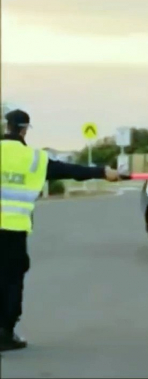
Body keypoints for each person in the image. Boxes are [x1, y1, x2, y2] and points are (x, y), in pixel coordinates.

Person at [0, 109, 121, 352]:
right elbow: (71, 171)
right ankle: (5, 333)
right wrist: (101, 172)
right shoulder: (34, 158)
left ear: (7, 126)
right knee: (11, 280)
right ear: (24, 129)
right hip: (13, 230)